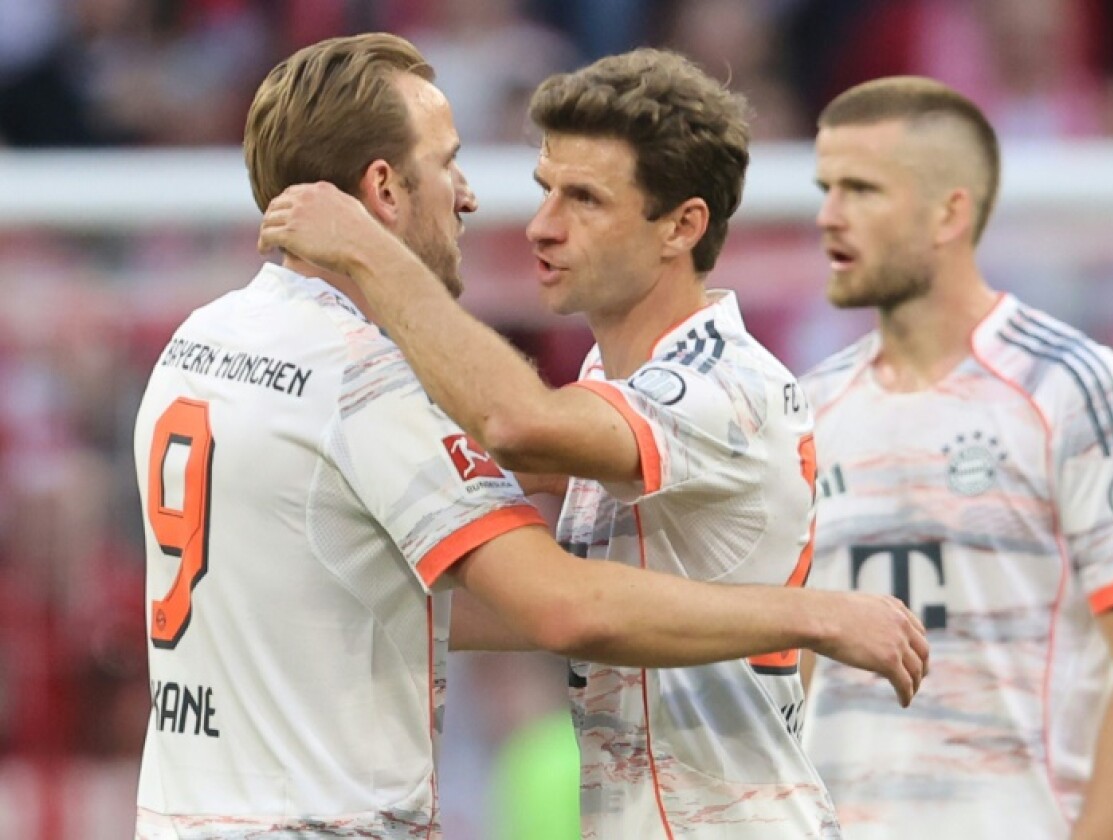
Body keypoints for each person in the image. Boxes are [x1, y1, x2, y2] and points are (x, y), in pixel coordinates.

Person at [134, 34, 928, 839]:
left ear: (680, 226)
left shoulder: (201, 342)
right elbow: (549, 597)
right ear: (381, 189)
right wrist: (812, 614)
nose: (527, 221)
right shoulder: (370, 373)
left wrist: (814, 614)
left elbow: (525, 461)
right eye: (541, 187)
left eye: (582, 199)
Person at [796, 75, 1113, 839]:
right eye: (825, 188)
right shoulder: (808, 409)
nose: (827, 216)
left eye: (861, 189)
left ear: (950, 211)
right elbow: (795, 663)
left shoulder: (1071, 387)